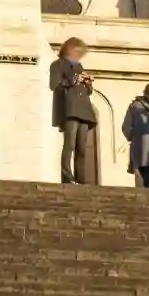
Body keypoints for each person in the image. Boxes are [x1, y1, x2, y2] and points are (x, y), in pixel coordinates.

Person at [50, 38, 99, 186]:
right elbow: (54, 85)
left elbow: (87, 92)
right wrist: (73, 80)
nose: (79, 55)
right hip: (69, 110)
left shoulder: (79, 67)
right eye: (77, 51)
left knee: (82, 148)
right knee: (69, 145)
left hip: (84, 110)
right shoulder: (57, 65)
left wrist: (88, 84)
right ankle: (67, 176)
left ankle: (81, 178)